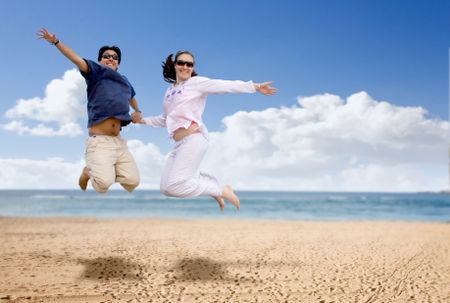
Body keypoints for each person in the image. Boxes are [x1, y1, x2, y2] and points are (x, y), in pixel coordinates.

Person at [141, 50, 277, 210]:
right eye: (181, 63)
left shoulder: (196, 83)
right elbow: (165, 119)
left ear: (192, 67)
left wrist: (255, 87)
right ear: (174, 65)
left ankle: (220, 190)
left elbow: (226, 85)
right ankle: (212, 186)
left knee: (174, 186)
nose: (185, 67)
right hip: (178, 142)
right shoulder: (169, 91)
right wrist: (142, 120)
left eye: (189, 64)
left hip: (194, 138)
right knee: (165, 188)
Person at [37, 28, 142, 193]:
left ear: (118, 63)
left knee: (132, 182)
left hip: (119, 141)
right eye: (106, 56)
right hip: (99, 141)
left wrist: (137, 111)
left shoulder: (124, 81)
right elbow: (75, 59)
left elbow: (132, 97)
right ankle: (88, 171)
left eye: (114, 58)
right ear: (100, 60)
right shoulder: (96, 72)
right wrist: (56, 42)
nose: (110, 59)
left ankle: (104, 168)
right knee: (102, 185)